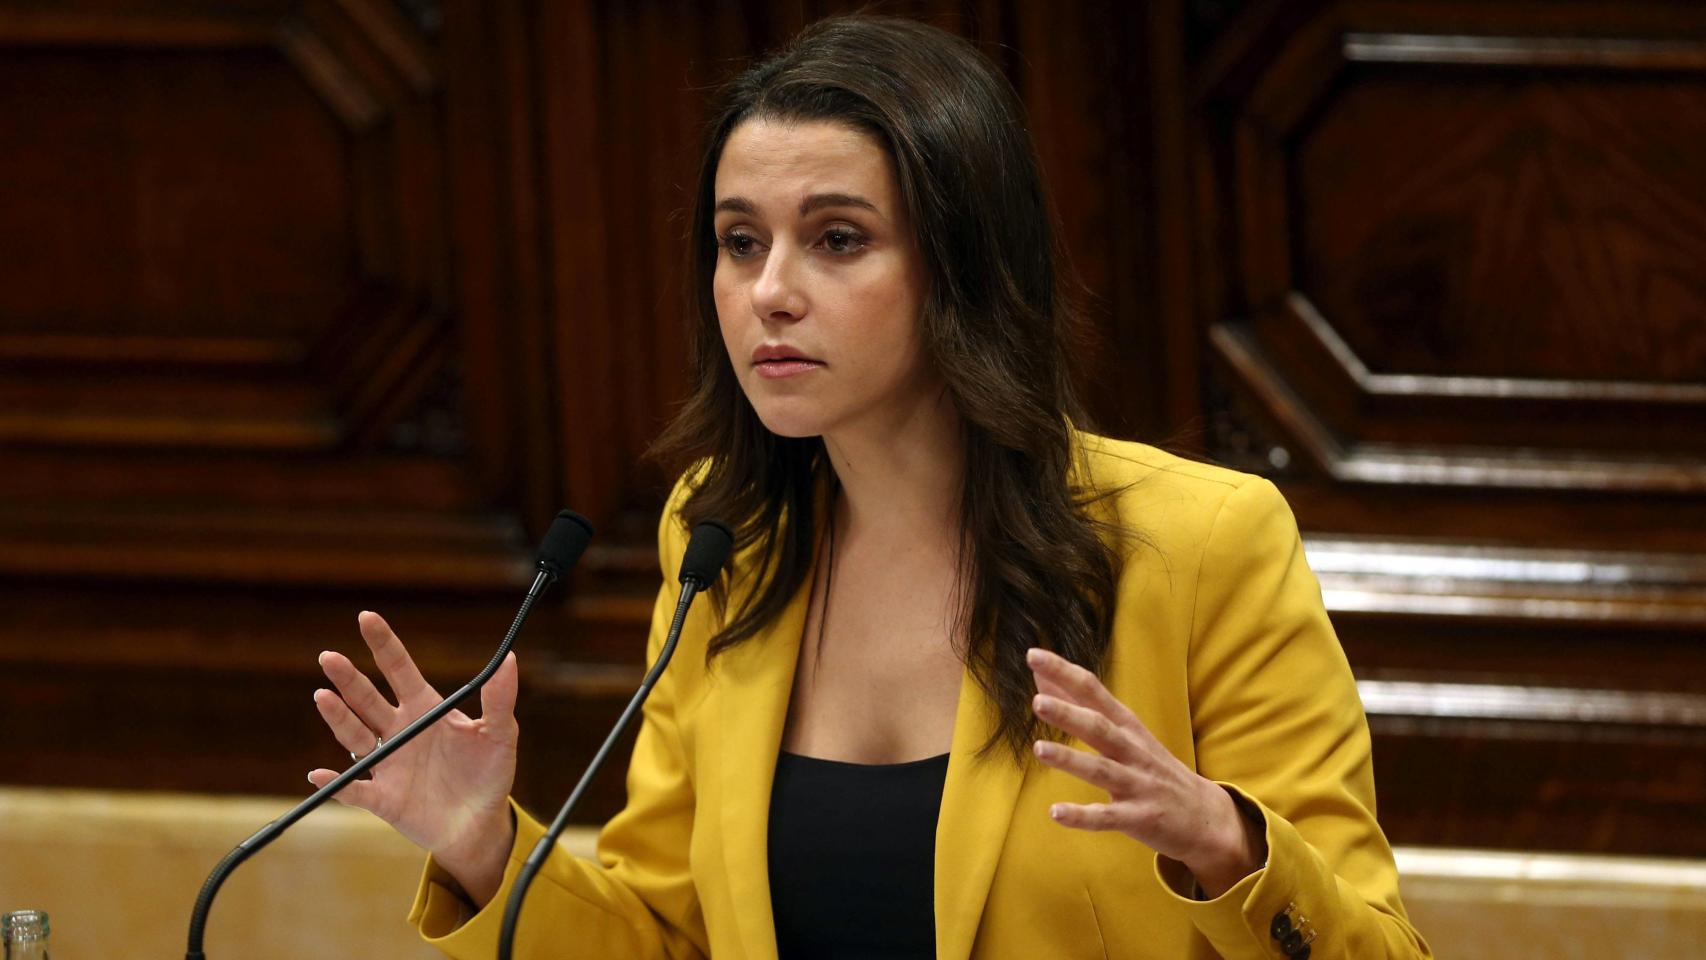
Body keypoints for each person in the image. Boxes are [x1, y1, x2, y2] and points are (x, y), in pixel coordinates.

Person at [307, 14, 1432, 960]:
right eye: (738, 242)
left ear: (960, 268)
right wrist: (483, 848)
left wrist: (1225, 843)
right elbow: (670, 937)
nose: (769, 292)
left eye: (837, 239)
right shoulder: (723, 540)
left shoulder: (1197, 543)